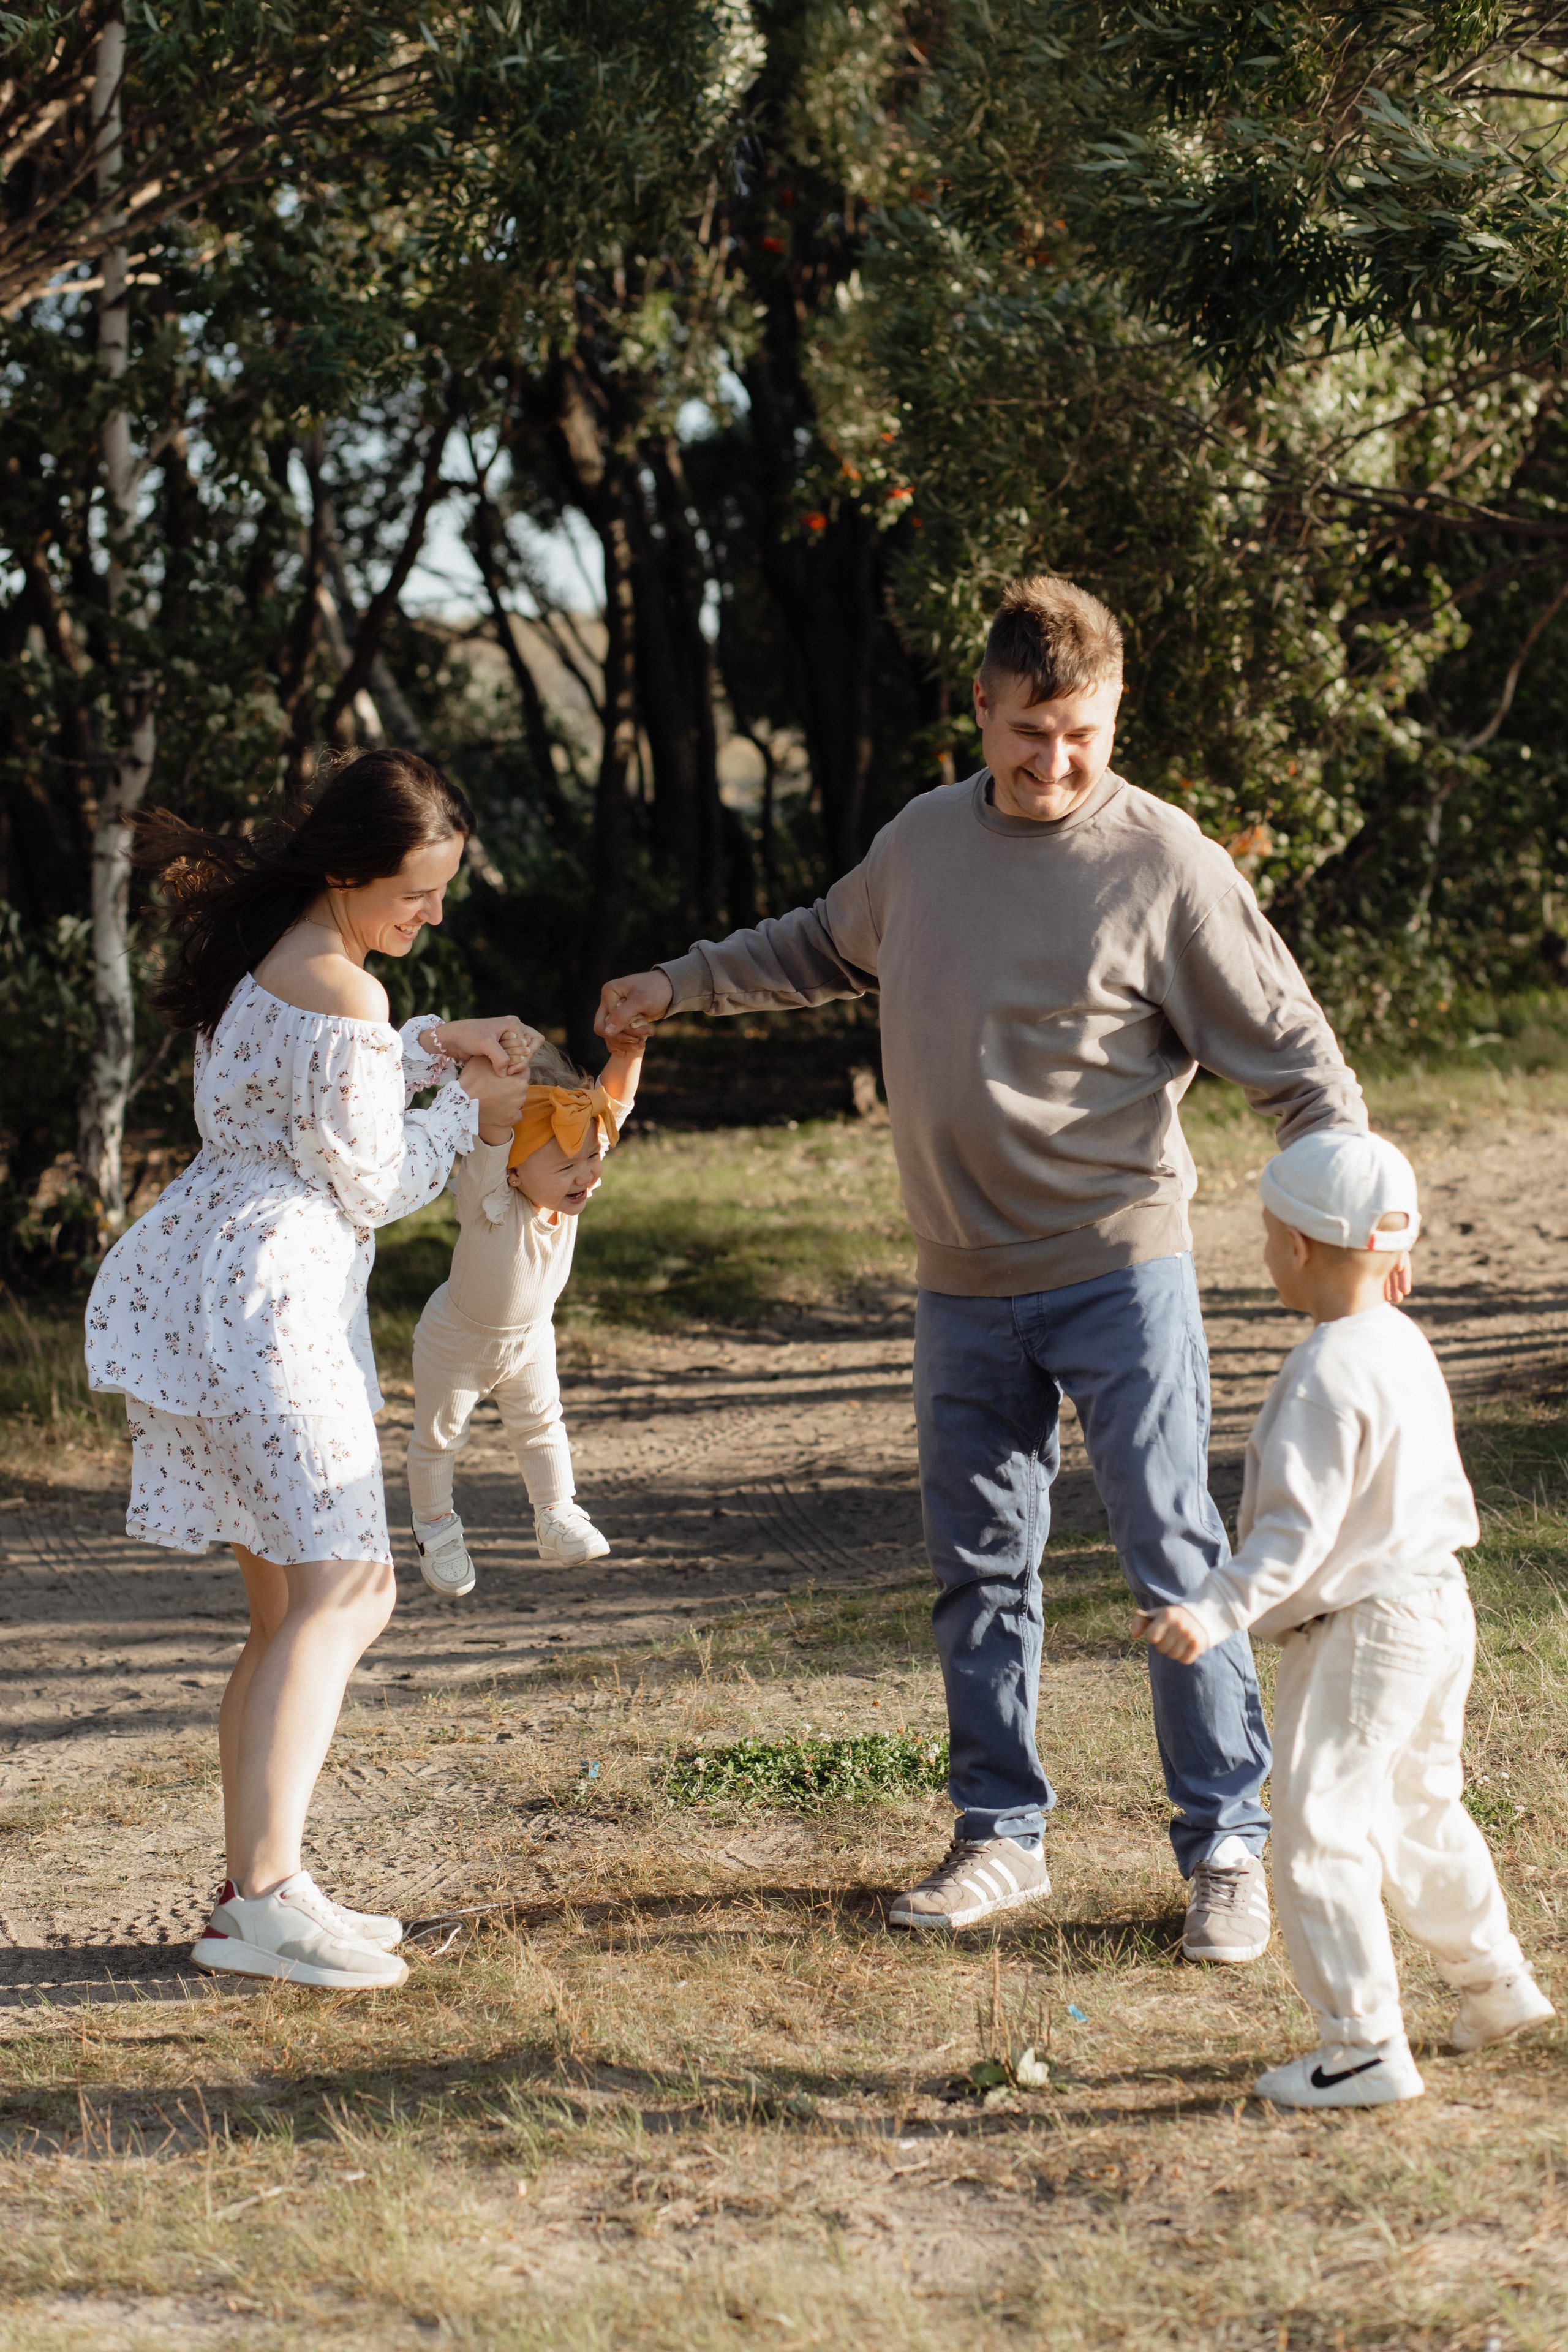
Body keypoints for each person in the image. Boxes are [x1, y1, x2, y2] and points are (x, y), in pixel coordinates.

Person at [594, 571, 1374, 1957]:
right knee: (977, 1569)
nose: (1057, 761)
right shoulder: (917, 846)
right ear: (980, 706)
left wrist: (1359, 1223)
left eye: (1082, 732)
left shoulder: (1163, 863)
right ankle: (1000, 1835)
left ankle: (1226, 1844)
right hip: (959, 1283)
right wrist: (679, 980)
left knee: (1170, 1554)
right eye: (1030, 732)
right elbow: (815, 945)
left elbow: (1300, 1067)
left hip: (1115, 1269)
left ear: (1111, 707)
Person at [84, 751, 538, 1991]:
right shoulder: (345, 995)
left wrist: (440, 1044)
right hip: (271, 1311)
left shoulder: (277, 962)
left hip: (218, 1294)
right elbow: (375, 1178)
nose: (432, 914)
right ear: (348, 874)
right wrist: (478, 1123)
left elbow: (318, 1100)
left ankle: (252, 1889)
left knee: (289, 1609)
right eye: (418, 893)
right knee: (351, 1593)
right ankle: (272, 1898)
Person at [1136, 1131, 1553, 2104]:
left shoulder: (1326, 1373)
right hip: (1438, 1605)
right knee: (1416, 1808)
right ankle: (1494, 1986)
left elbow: (1295, 1533)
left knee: (1319, 1827)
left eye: (1270, 1233)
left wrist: (1217, 1609)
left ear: (1302, 1248)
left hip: (1366, 1627)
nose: (1266, 1250)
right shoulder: (1400, 1341)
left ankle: (1364, 2047)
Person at [406, 1035, 644, 1595]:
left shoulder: (566, 1189)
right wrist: (499, 1086)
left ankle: (556, 1514)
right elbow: (493, 1129)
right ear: (513, 1170)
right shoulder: (490, 1192)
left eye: (591, 1158)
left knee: (542, 1424)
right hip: (457, 1340)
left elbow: (613, 1104)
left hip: (531, 1337)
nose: (587, 1176)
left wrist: (629, 1053)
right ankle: (435, 1527)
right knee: (440, 1438)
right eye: (567, 1165)